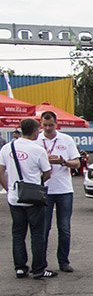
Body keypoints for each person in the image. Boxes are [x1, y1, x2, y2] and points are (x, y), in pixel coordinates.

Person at [0, 118, 54, 279]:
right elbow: (47, 172)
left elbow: (0, 171)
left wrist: (8, 188)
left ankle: (20, 267)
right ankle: (38, 269)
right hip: (34, 197)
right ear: (36, 130)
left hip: (15, 197)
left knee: (18, 233)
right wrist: (39, 180)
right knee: (37, 233)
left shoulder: (7, 147)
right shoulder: (38, 149)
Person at [39, 111, 81, 272]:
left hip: (64, 189)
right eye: (45, 125)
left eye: (51, 125)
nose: (48, 128)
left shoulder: (66, 140)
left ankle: (63, 261)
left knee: (64, 228)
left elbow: (76, 163)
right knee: (43, 228)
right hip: (43, 190)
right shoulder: (37, 141)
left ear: (56, 124)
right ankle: (40, 262)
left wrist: (63, 161)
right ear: (41, 124)